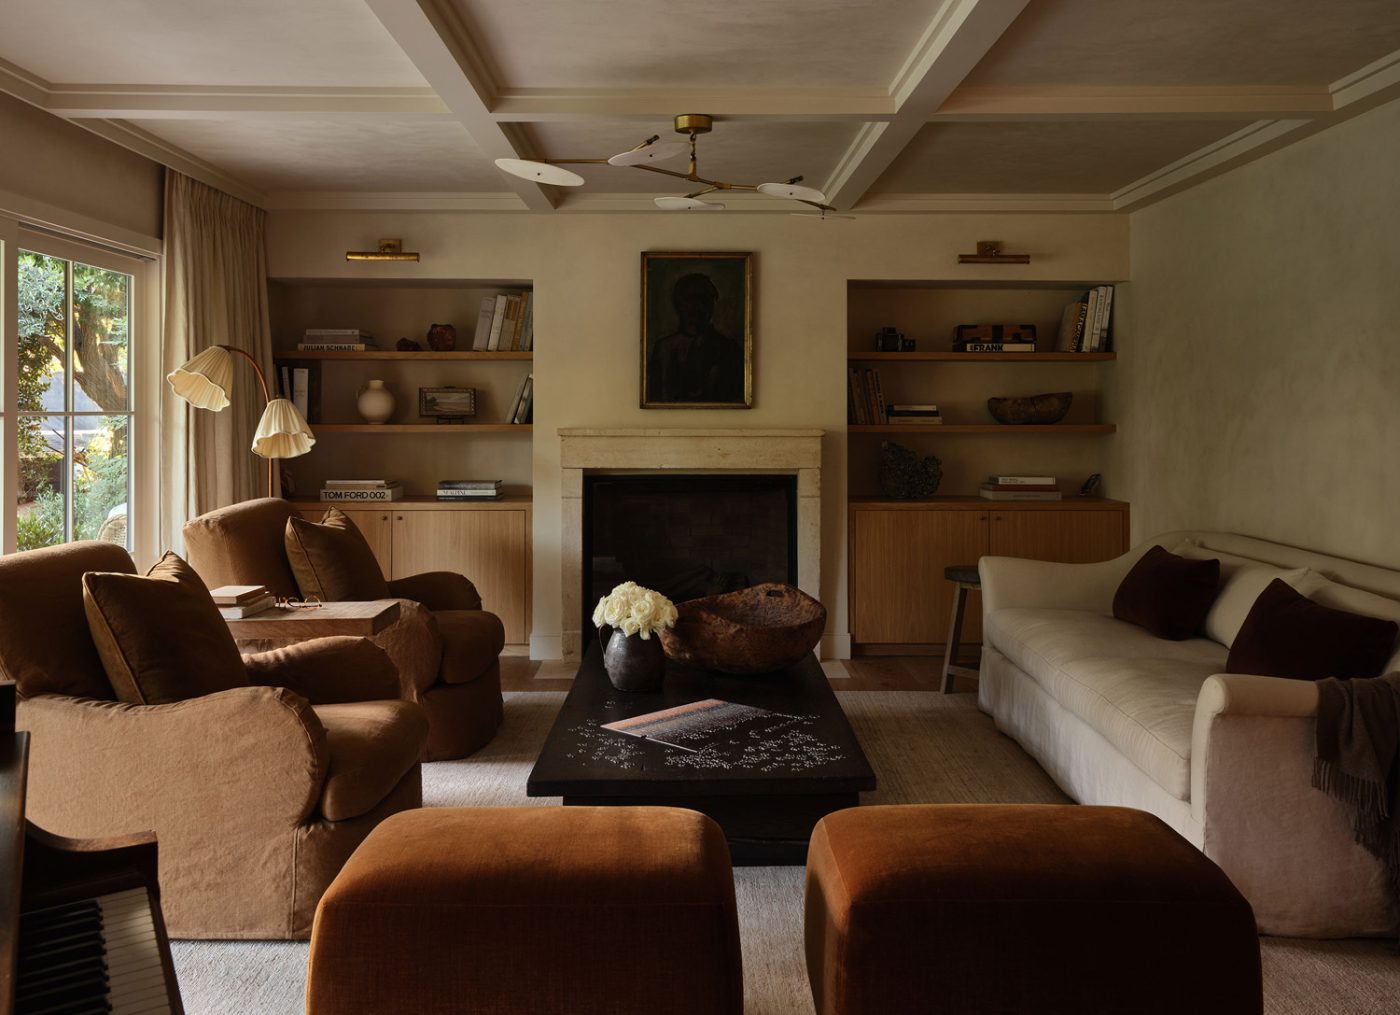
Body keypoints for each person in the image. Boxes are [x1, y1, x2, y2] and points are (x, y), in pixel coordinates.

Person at [647, 272, 744, 404]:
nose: (698, 307)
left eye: (705, 300)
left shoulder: (729, 349)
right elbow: (656, 397)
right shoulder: (663, 348)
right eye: (690, 300)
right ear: (678, 304)